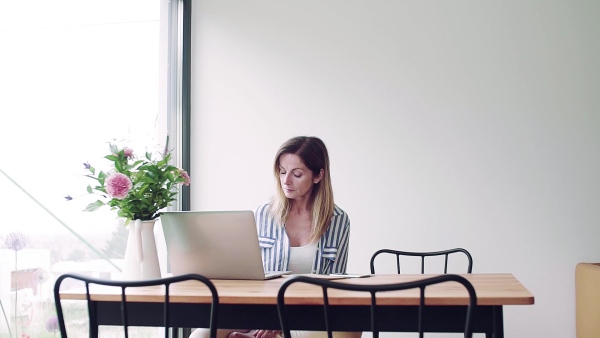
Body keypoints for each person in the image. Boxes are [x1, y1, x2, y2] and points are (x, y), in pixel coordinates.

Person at [191, 136, 359, 338]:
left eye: (297, 174)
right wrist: (261, 318)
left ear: (318, 175)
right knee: (199, 336)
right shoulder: (261, 215)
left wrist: (282, 323)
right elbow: (247, 279)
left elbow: (334, 288)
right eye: (282, 172)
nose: (286, 181)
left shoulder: (338, 220)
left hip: (310, 316)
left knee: (350, 330)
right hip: (260, 311)